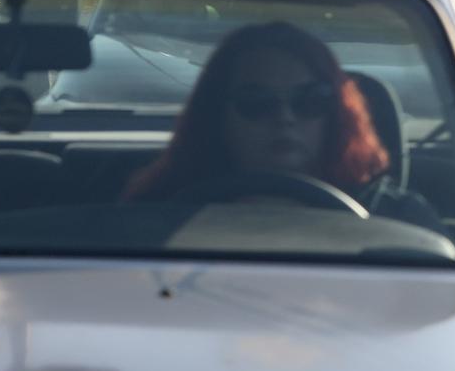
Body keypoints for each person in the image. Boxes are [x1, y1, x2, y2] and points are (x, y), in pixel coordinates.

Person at [124, 21, 437, 225]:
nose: (285, 118)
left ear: (337, 113)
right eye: (257, 104)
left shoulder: (398, 219)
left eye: (309, 101)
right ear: (217, 117)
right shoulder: (153, 214)